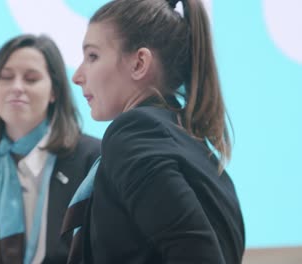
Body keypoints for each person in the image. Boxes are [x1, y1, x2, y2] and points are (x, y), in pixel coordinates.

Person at [62, 0, 245, 263]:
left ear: (139, 63)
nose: (77, 76)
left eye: (92, 56)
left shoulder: (132, 134)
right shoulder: (196, 147)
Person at [0, 34, 101, 264]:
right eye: (6, 77)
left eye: (31, 79)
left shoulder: (90, 157)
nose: (17, 87)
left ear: (54, 92)